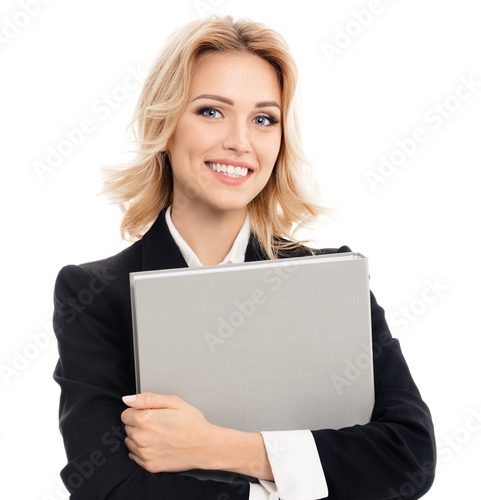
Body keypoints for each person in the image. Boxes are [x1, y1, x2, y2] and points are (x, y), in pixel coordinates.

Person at [52, 15, 436, 500]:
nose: (241, 141)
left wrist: (215, 447)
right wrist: (298, 474)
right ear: (164, 125)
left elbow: (409, 457)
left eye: (263, 119)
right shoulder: (96, 295)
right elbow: (105, 486)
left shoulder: (330, 281)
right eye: (212, 111)